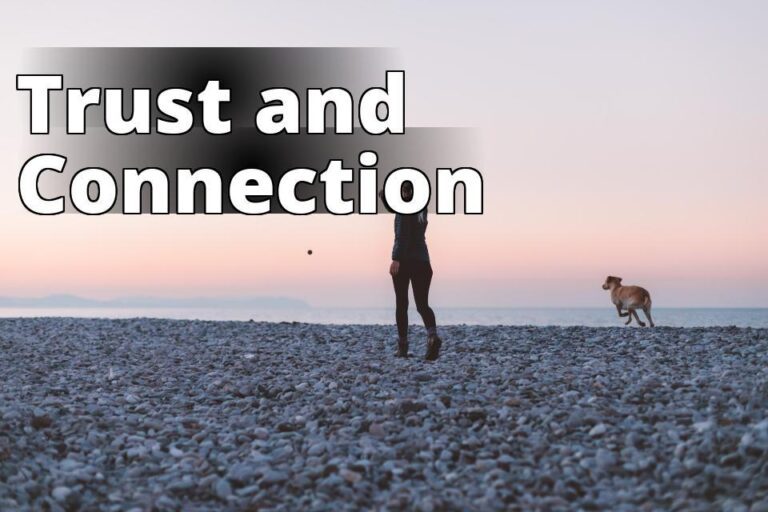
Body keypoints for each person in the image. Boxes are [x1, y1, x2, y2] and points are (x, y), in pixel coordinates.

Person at [384, 182, 442, 360]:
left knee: (402, 304)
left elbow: (402, 235)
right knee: (422, 305)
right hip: (423, 262)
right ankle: (432, 336)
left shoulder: (404, 210)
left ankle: (402, 346)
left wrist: (396, 258)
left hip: (405, 262)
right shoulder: (421, 210)